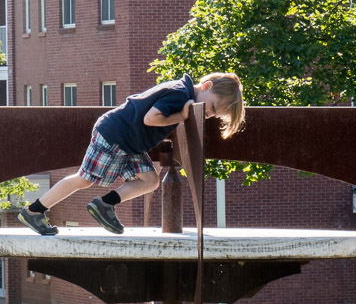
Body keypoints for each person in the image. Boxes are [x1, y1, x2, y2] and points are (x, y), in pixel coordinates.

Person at [18, 72, 245, 235]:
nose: (209, 114)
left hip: (130, 144)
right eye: (213, 107)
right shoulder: (179, 94)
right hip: (115, 134)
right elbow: (151, 118)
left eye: (214, 115)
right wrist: (182, 116)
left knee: (150, 179)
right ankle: (34, 211)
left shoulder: (182, 94)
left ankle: (105, 204)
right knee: (84, 179)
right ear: (206, 86)